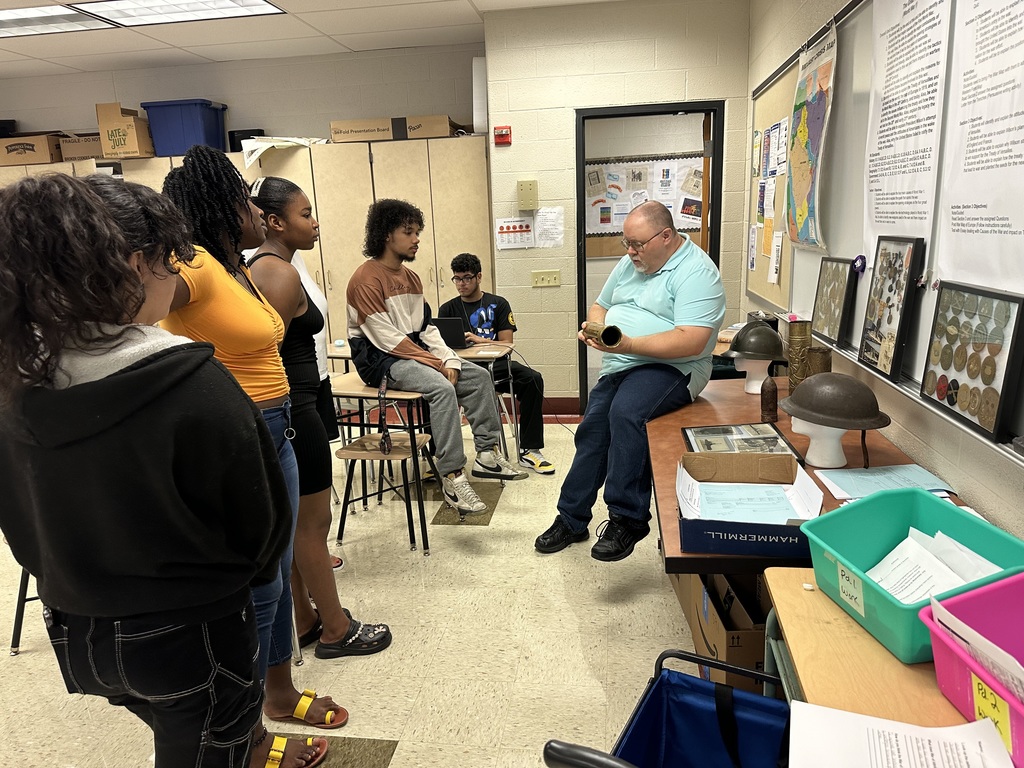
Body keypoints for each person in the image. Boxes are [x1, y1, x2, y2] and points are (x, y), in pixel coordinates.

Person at [0, 173, 325, 768]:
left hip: (77, 627)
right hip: (190, 631)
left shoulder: (18, 383)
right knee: (203, 742)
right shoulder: (190, 382)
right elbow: (262, 529)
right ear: (131, 266)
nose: (177, 280)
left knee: (176, 723)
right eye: (169, 266)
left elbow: (21, 524)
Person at [159, 146, 347, 755]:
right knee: (253, 585)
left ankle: (277, 691)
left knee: (273, 575)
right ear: (219, 204)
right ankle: (251, 733)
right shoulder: (193, 267)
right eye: (243, 197)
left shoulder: (236, 267)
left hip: (275, 430)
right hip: (236, 435)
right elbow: (128, 302)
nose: (254, 206)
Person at [247, 176, 391, 659]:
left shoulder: (285, 264)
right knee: (312, 524)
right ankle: (335, 628)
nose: (315, 222)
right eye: (305, 214)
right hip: (294, 403)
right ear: (274, 221)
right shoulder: (274, 272)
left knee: (297, 523)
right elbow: (265, 351)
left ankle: (306, 617)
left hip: (305, 398)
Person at [534, 201, 725, 561]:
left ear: (666, 236)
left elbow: (692, 339)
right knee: (592, 429)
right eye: (626, 243)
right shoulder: (631, 263)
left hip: (675, 367)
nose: (630, 252)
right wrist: (598, 329)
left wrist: (630, 343)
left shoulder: (697, 273)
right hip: (623, 361)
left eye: (637, 244)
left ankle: (628, 519)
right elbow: (600, 305)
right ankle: (571, 518)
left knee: (626, 413)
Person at [346, 199, 529, 516]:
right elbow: (386, 339)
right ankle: (453, 476)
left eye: (417, 231)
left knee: (478, 377)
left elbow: (426, 330)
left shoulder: (412, 278)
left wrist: (451, 360)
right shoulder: (365, 279)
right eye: (409, 232)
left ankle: (487, 454)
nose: (416, 238)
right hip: (380, 359)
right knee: (441, 388)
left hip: (411, 351)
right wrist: (436, 364)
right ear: (387, 235)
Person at [437, 252, 554, 475]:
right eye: (457, 279)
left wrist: (479, 339)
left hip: (496, 365)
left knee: (532, 379)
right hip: (463, 368)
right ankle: (441, 457)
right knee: (435, 388)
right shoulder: (447, 309)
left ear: (479, 277)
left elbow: (507, 344)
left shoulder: (498, 304)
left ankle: (530, 449)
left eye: (467, 278)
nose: (461, 284)